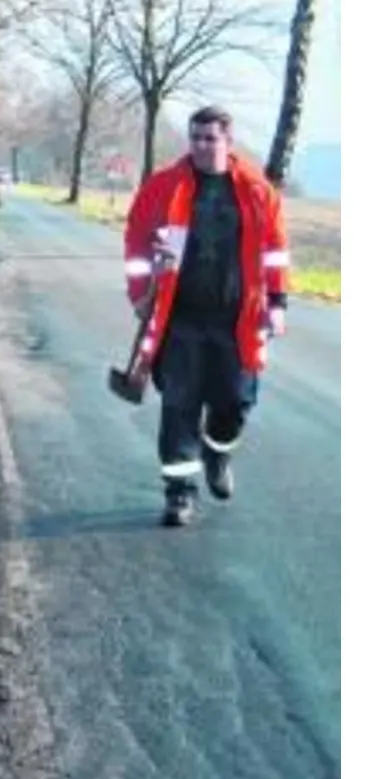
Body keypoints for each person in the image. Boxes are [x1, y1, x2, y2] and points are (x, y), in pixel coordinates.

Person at [122, 105, 290, 527]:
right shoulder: (164, 187)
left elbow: (275, 252)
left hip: (238, 320)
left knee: (234, 400)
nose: (200, 145)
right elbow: (136, 241)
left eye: (209, 138)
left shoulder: (256, 190)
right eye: (195, 137)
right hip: (180, 319)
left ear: (228, 142)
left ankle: (218, 451)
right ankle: (179, 494)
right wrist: (141, 292)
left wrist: (278, 304)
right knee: (179, 402)